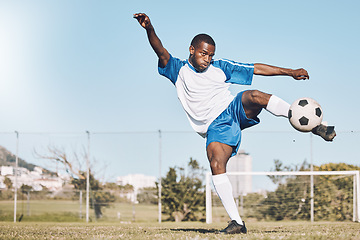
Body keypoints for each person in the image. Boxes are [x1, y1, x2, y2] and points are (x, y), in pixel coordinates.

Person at [134, 13, 336, 234]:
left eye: (211, 55)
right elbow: (160, 50)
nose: (207, 59)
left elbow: (255, 68)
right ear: (191, 50)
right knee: (215, 164)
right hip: (215, 128)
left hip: (232, 109)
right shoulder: (177, 69)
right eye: (203, 54)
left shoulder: (221, 67)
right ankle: (237, 223)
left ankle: (313, 125)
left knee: (254, 95)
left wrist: (290, 72)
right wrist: (149, 28)